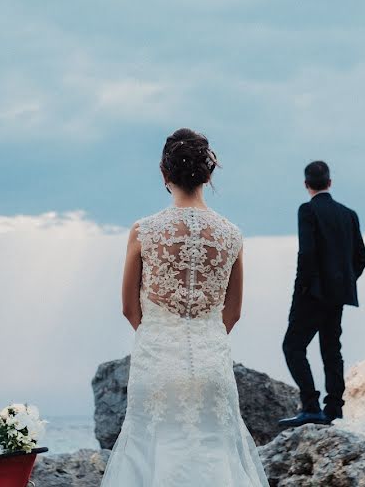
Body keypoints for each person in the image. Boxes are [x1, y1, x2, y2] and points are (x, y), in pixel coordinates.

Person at [100, 128, 268, 487]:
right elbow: (233, 312)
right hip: (211, 364)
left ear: (164, 174)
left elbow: (129, 308)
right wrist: (203, 334)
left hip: (157, 364)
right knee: (216, 457)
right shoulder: (231, 234)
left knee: (151, 458)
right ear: (208, 174)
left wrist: (163, 335)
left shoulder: (144, 231)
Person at [278, 161, 365, 427]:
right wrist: (342, 281)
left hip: (311, 294)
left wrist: (303, 288)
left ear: (307, 185)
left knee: (293, 347)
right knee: (331, 350)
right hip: (338, 296)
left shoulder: (307, 210)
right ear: (330, 182)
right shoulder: (348, 214)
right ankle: (334, 410)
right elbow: (361, 257)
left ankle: (310, 405)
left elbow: (306, 254)